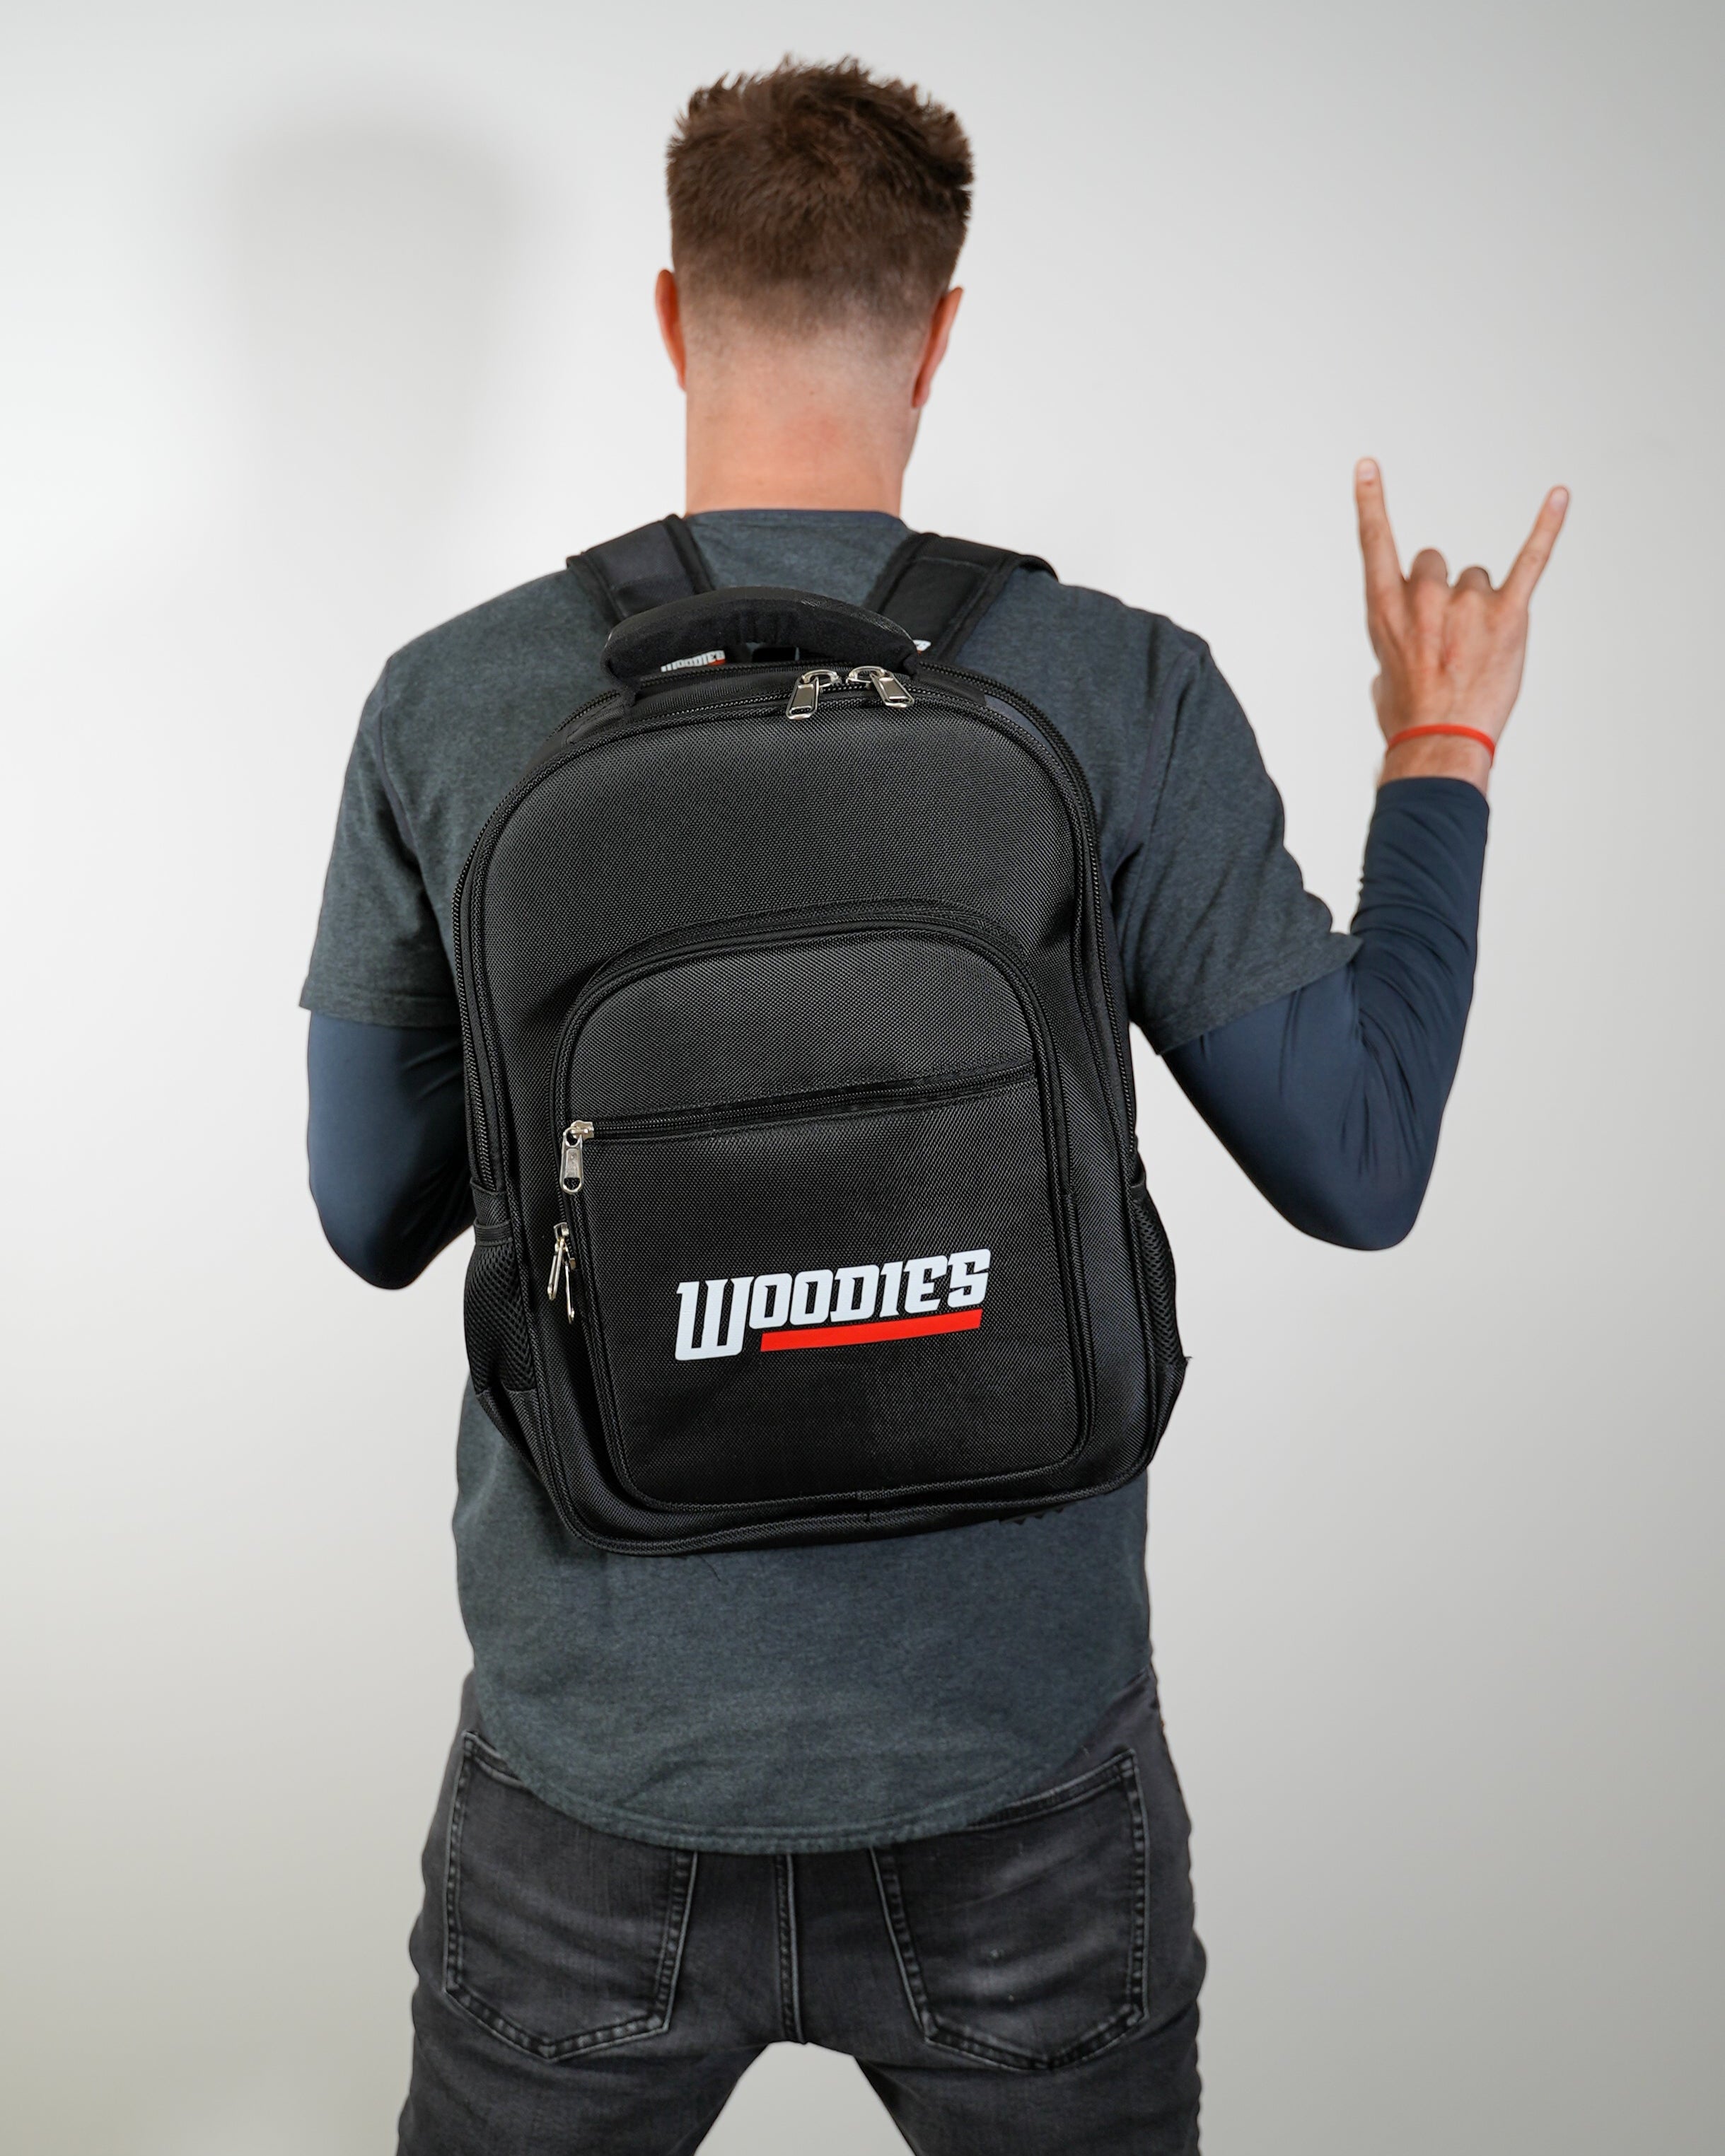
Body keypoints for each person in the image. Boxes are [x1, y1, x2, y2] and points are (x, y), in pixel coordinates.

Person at [302, 58, 1565, 2156]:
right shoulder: (1118, 687)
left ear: (669, 314)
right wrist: (1440, 750)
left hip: (596, 1789)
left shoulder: (458, 699)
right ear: (943, 329)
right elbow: (1358, 1161)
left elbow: (370, 1208)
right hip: (1024, 1787)